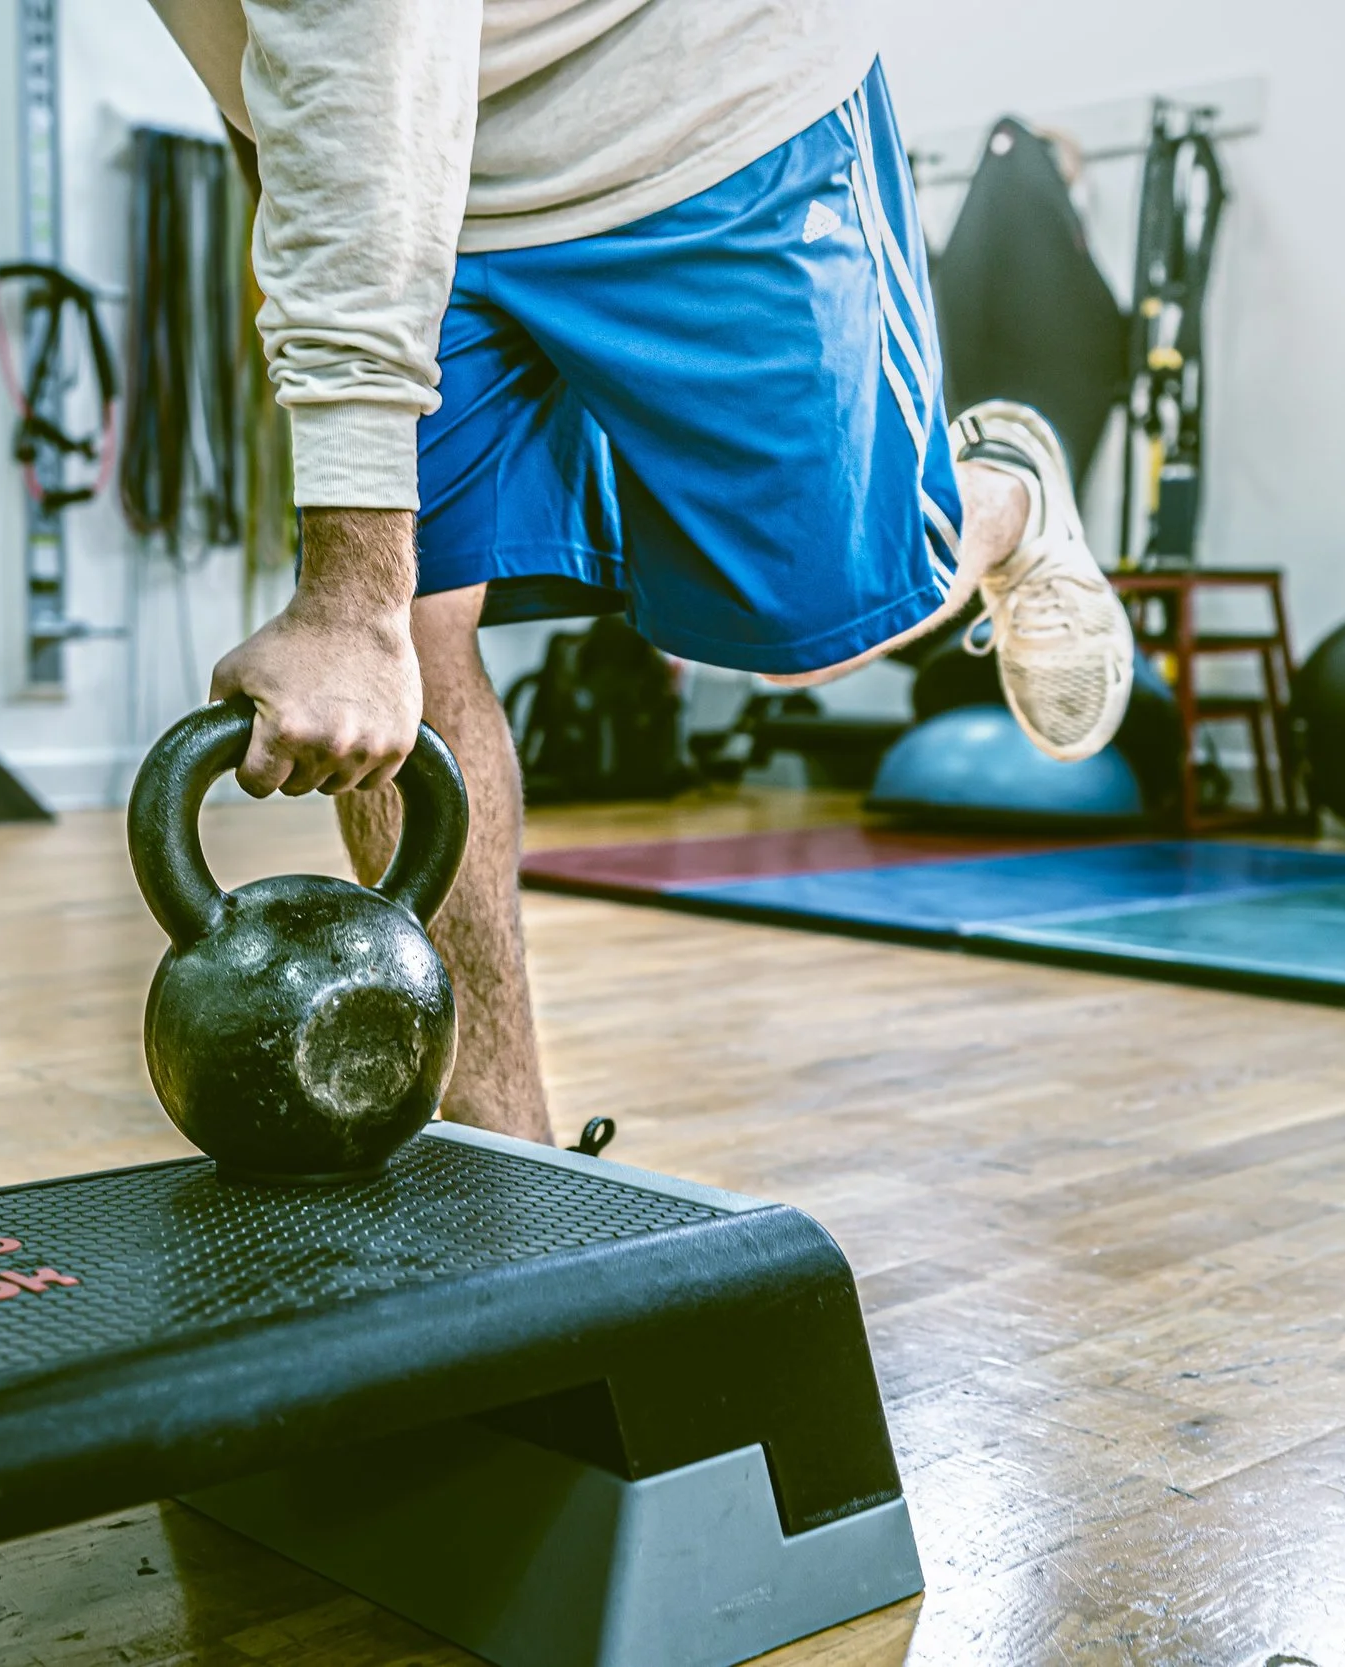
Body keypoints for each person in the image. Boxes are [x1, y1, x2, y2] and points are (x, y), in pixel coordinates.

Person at [148, 0, 1136, 1146]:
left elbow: (360, 32)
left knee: (813, 637)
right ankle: (504, 1173)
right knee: (403, 649)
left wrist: (343, 593)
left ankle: (1002, 496)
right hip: (416, 189)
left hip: (690, 110)